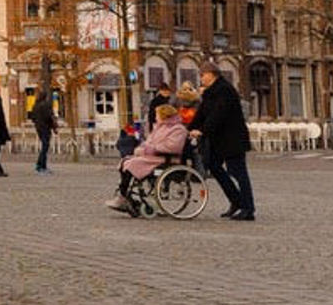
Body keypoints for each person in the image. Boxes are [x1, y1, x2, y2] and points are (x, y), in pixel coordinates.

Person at [193, 65, 255, 221]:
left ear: (211, 74)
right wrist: (189, 128)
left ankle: (248, 208)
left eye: (202, 75)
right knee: (213, 166)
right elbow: (202, 113)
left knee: (239, 173)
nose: (201, 78)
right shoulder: (210, 93)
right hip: (218, 140)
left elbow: (218, 114)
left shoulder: (224, 90)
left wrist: (203, 130)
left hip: (232, 139)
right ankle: (236, 200)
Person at [108, 104, 190, 216]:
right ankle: (125, 194)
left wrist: (151, 149)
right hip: (154, 157)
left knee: (132, 164)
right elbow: (148, 142)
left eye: (157, 115)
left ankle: (123, 196)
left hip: (166, 159)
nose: (155, 117)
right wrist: (142, 149)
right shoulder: (159, 128)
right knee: (126, 161)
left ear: (164, 116)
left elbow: (173, 147)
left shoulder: (178, 129)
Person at [29, 83, 57, 174]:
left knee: (44, 146)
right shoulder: (45, 106)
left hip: (39, 128)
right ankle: (40, 165)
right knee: (45, 147)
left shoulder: (35, 106)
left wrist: (37, 123)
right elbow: (49, 117)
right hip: (45, 128)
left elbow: (32, 117)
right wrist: (54, 127)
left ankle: (43, 166)